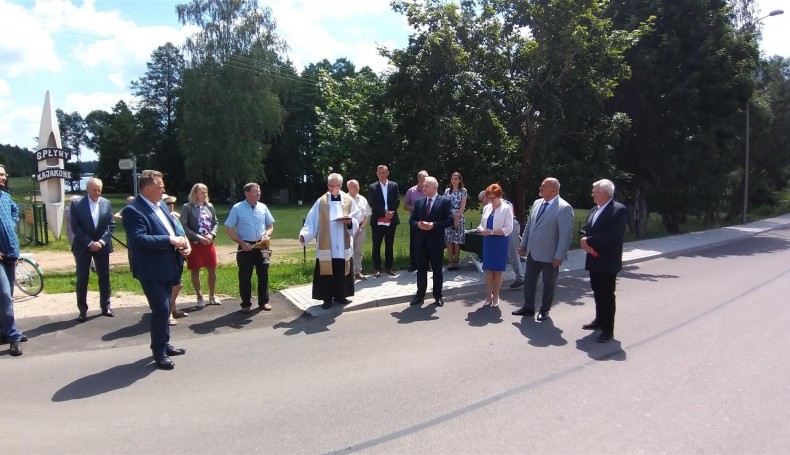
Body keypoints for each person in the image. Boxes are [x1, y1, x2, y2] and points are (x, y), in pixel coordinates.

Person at [122, 170, 190, 370]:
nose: (164, 190)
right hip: (151, 269)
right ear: (148, 188)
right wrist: (170, 240)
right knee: (160, 309)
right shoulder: (133, 210)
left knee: (166, 306)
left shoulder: (160, 205)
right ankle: (158, 351)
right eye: (160, 186)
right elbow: (138, 240)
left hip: (170, 264)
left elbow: (173, 229)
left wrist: (181, 243)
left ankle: (165, 343)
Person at [512, 177, 574, 321]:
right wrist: (523, 244)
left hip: (550, 255)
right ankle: (528, 306)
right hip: (533, 252)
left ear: (553, 190)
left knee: (548, 283)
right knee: (529, 280)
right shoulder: (537, 203)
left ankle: (544, 310)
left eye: (543, 186)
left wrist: (559, 256)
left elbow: (565, 235)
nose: (540, 188)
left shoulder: (564, 208)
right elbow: (529, 226)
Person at [299, 173, 360, 309]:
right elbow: (311, 220)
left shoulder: (348, 200)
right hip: (327, 243)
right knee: (327, 271)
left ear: (340, 185)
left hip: (342, 242)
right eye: (330, 185)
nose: (332, 188)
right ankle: (326, 298)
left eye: (335, 185)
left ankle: (341, 295)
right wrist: (305, 234)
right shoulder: (321, 202)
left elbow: (356, 218)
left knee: (341, 269)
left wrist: (350, 222)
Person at [580, 179, 627, 343]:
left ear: (605, 193)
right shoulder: (595, 209)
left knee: (607, 294)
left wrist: (589, 241)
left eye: (595, 191)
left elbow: (611, 234)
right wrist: (583, 238)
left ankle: (608, 329)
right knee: (597, 291)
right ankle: (599, 320)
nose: (592, 194)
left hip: (607, 261)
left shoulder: (618, 210)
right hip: (593, 260)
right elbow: (586, 228)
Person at [224, 182, 275, 314]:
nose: (258, 193)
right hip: (246, 246)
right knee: (245, 276)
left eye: (259, 190)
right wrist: (241, 243)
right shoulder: (237, 208)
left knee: (264, 274)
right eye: (255, 191)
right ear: (246, 193)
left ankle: (264, 302)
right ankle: (246, 303)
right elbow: (228, 228)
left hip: (262, 245)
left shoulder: (263, 207)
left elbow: (270, 225)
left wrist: (267, 235)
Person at [69, 177, 115, 323]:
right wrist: (89, 243)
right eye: (94, 190)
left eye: (99, 190)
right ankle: (82, 310)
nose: (97, 193)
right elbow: (75, 227)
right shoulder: (77, 204)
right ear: (88, 189)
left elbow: (111, 224)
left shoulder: (106, 203)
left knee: (104, 277)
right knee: (82, 278)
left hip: (102, 246)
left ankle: (105, 306)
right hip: (83, 246)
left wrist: (101, 242)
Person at [409, 176, 454, 307]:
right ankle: (420, 295)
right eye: (423, 186)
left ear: (435, 187)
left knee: (437, 270)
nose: (424, 187)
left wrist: (434, 225)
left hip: (436, 242)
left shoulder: (444, 201)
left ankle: (438, 296)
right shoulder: (419, 202)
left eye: (426, 186)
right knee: (421, 270)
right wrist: (418, 225)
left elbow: (450, 220)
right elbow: (411, 221)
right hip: (421, 242)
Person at [181, 183, 220, 307]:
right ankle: (199, 297)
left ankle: (212, 295)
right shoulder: (187, 207)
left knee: (212, 269)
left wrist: (211, 235)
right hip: (195, 244)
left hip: (208, 243)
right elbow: (184, 226)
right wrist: (198, 237)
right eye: (202, 192)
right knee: (195, 270)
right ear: (195, 193)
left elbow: (215, 223)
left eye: (206, 192)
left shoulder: (209, 206)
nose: (205, 195)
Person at [0, 164, 24, 356]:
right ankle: (13, 336)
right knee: (5, 294)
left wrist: (12, 224)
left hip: (11, 252)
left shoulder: (5, 197)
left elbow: (15, 212)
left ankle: (4, 329)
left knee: (7, 295)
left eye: (3, 175)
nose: (2, 177)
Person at [477, 184, 513, 307]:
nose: (490, 201)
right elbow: (482, 223)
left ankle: (496, 295)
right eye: (489, 198)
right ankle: (488, 295)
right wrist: (481, 228)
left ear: (499, 196)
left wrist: (491, 232)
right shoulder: (487, 208)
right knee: (488, 270)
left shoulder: (506, 208)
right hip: (488, 241)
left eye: (493, 198)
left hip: (500, 241)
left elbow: (509, 228)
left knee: (498, 270)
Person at [478, 190, 523, 284]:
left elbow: (506, 221)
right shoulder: (489, 208)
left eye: (482, 200)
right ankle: (498, 280)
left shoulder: (504, 204)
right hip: (498, 232)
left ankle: (520, 277)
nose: (483, 203)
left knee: (512, 253)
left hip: (510, 227)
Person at [368, 165, 400, 277]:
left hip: (391, 219)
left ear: (387, 173)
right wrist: (384, 212)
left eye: (384, 172)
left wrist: (390, 213)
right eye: (379, 173)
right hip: (378, 220)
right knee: (376, 245)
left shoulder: (394, 185)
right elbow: (372, 202)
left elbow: (397, 200)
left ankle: (389, 267)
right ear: (377, 174)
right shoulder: (372, 187)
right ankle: (377, 267)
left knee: (389, 244)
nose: (382, 175)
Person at [163, 194, 187, 326]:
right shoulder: (163, 220)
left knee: (176, 284)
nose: (171, 205)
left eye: (172, 203)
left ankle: (173, 310)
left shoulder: (174, 217)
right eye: (167, 203)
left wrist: (187, 247)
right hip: (170, 255)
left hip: (179, 255)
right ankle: (168, 314)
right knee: (172, 285)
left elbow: (182, 234)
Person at [403, 170, 428, 272]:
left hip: (428, 220)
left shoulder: (429, 190)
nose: (426, 181)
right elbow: (405, 206)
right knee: (414, 243)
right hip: (415, 221)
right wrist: (415, 208)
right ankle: (414, 264)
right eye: (424, 179)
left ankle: (427, 264)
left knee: (427, 242)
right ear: (419, 179)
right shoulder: (411, 191)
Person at [346, 179, 371, 280]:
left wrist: (360, 228)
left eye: (357, 185)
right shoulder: (345, 199)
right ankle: (348, 273)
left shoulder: (363, 199)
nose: (356, 187)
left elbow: (367, 215)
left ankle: (358, 272)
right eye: (353, 186)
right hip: (348, 229)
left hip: (361, 229)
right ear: (348, 188)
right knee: (348, 252)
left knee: (358, 251)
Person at [444, 171, 467, 271]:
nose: (454, 181)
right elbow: (445, 205)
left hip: (459, 217)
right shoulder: (447, 191)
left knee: (457, 241)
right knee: (449, 240)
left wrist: (457, 217)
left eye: (456, 179)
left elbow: (463, 206)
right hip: (449, 217)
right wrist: (452, 215)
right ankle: (450, 262)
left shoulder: (463, 191)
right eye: (452, 179)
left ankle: (456, 261)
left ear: (459, 180)